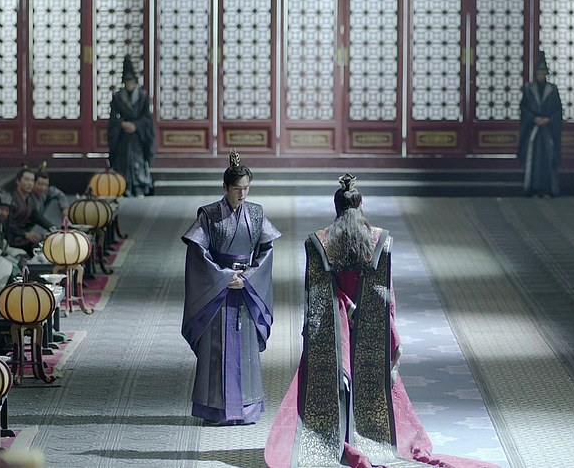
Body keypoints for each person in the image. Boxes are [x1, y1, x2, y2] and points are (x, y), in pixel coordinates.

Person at [265, 174, 497, 468]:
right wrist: (393, 337)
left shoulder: (318, 242)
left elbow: (316, 295)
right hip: (370, 328)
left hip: (333, 329)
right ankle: (371, 437)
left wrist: (335, 315)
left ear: (336, 208)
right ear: (361, 206)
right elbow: (386, 296)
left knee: (332, 382)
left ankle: (333, 437)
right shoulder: (380, 240)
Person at [181, 151, 281, 426]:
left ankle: (247, 408)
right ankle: (214, 410)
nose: (242, 194)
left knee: (245, 348)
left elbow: (267, 250)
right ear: (225, 187)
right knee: (216, 350)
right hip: (218, 289)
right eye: (237, 189)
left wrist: (248, 277)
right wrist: (223, 277)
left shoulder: (256, 213)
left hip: (245, 287)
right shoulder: (209, 215)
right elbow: (197, 252)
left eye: (246, 188)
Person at [108, 55, 155, 197]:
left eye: (131, 81)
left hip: (138, 135)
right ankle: (124, 187)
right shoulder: (117, 97)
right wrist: (122, 124)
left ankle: (140, 186)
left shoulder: (142, 96)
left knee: (138, 161)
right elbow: (113, 117)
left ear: (135, 82)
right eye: (127, 81)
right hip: (123, 135)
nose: (129, 84)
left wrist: (136, 125)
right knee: (123, 161)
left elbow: (147, 117)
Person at [517, 51, 563, 198]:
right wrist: (534, 118)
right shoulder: (529, 89)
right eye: (539, 73)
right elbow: (524, 108)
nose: (541, 76)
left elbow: (558, 109)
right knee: (533, 160)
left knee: (548, 158)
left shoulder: (553, 90)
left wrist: (548, 119)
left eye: (543, 73)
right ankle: (532, 189)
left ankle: (548, 189)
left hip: (548, 131)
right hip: (533, 130)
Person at [7, 167, 55, 255]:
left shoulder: (29, 200)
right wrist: (26, 234)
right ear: (18, 181)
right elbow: (7, 225)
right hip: (11, 240)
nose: (30, 183)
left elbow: (37, 216)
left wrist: (53, 228)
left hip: (23, 238)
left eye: (32, 180)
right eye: (26, 179)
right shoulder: (11, 200)